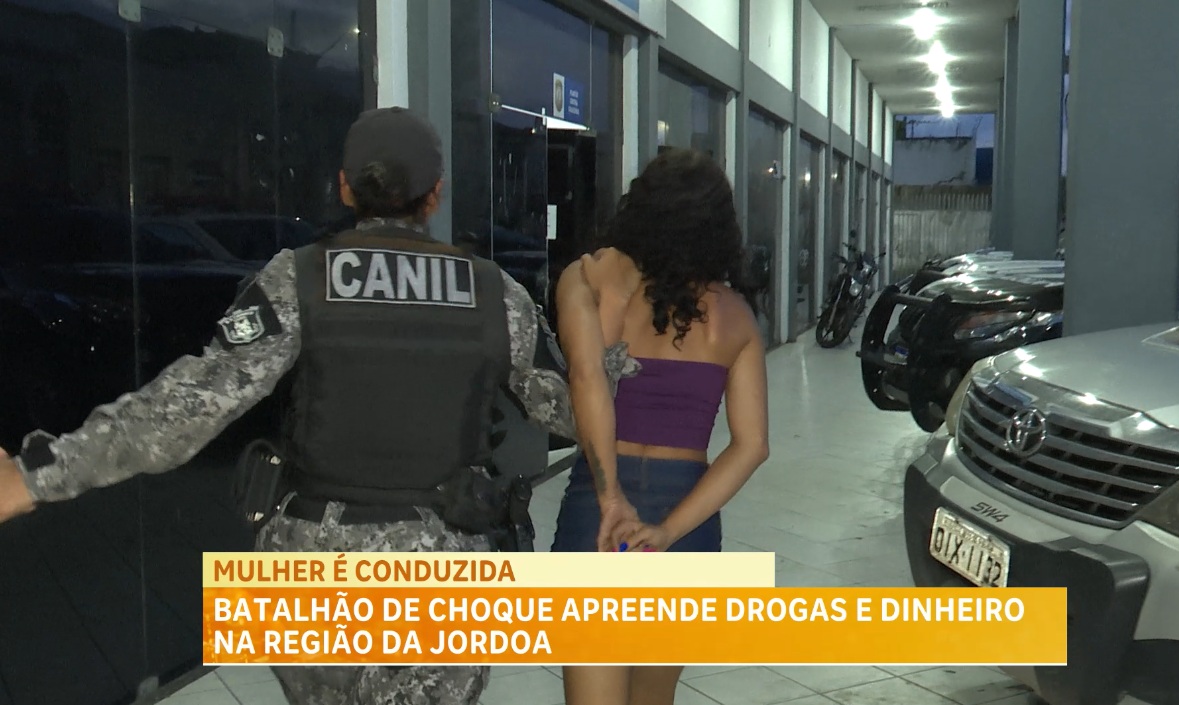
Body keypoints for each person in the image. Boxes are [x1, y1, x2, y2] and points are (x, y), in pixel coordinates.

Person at [0, 107, 632, 705]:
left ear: (345, 188)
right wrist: (608, 346)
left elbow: (184, 410)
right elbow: (574, 414)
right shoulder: (496, 293)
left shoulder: (297, 278)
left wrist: (38, 475)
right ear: (435, 195)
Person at [551, 148, 771, 705]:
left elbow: (588, 378)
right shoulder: (736, 317)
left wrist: (611, 498)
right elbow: (751, 446)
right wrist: (669, 532)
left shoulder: (595, 284)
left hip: (597, 505)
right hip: (687, 513)